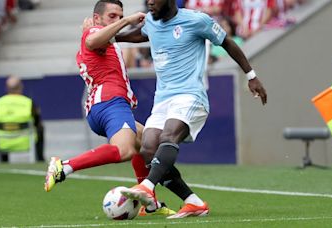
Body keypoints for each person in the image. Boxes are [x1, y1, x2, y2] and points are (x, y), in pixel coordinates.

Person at [116, 0, 267, 219]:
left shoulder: (196, 20)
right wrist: (111, 37)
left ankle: (147, 186)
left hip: (190, 96)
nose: (149, 2)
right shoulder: (151, 21)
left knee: (168, 135)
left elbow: (227, 43)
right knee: (148, 148)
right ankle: (193, 202)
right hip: (163, 100)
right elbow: (141, 34)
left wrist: (251, 76)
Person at [43, 0, 175, 216]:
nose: (116, 19)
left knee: (145, 143)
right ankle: (64, 166)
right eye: (111, 16)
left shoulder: (104, 36)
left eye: (119, 15)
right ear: (97, 19)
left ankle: (148, 203)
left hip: (105, 105)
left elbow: (122, 37)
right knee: (125, 150)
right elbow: (94, 38)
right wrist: (126, 20)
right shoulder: (94, 32)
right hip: (109, 102)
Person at [0, 75, 44, 162]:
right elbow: (37, 121)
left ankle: (3, 162)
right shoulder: (28, 102)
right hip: (25, 141)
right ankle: (39, 159)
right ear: (21, 87)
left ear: (6, 88)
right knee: (40, 128)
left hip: (3, 143)